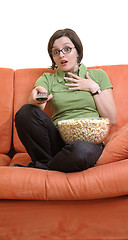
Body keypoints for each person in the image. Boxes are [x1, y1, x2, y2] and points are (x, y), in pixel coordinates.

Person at [15, 28, 117, 172]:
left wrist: (93, 88)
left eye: (67, 49)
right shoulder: (48, 78)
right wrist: (38, 98)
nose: (61, 54)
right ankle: (51, 164)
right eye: (56, 51)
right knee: (25, 111)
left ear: (78, 51)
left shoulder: (97, 76)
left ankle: (42, 169)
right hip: (57, 141)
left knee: (81, 151)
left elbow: (111, 119)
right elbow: (37, 97)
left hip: (87, 142)